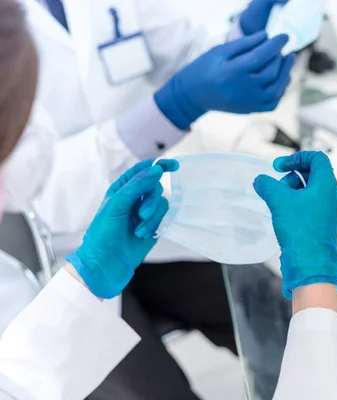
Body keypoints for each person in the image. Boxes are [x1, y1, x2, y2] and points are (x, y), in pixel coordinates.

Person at [1, 0, 296, 398]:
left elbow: (189, 57)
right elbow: (32, 187)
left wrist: (243, 38)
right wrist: (173, 106)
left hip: (150, 222)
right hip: (59, 253)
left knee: (288, 327)